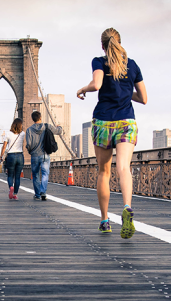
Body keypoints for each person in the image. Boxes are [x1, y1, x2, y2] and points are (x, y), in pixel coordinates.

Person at [77, 27, 147, 239]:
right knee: (124, 168)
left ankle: (105, 221)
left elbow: (97, 84)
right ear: (119, 42)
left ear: (102, 45)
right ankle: (126, 207)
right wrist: (126, 93)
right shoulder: (132, 65)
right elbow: (143, 98)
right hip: (126, 121)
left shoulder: (99, 61)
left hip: (104, 122)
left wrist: (82, 89)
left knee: (104, 172)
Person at [26, 111, 62, 201]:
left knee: (35, 175)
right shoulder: (47, 126)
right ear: (40, 117)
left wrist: (31, 151)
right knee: (45, 173)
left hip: (34, 155)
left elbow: (28, 144)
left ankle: (37, 195)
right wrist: (59, 127)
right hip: (45, 155)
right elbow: (59, 131)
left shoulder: (29, 130)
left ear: (32, 119)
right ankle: (43, 192)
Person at [0, 118, 25, 200]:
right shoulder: (23, 133)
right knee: (17, 177)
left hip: (11, 156)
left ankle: (11, 187)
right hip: (20, 156)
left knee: (10, 175)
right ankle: (15, 194)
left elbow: (4, 146)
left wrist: (1, 156)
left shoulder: (8, 134)